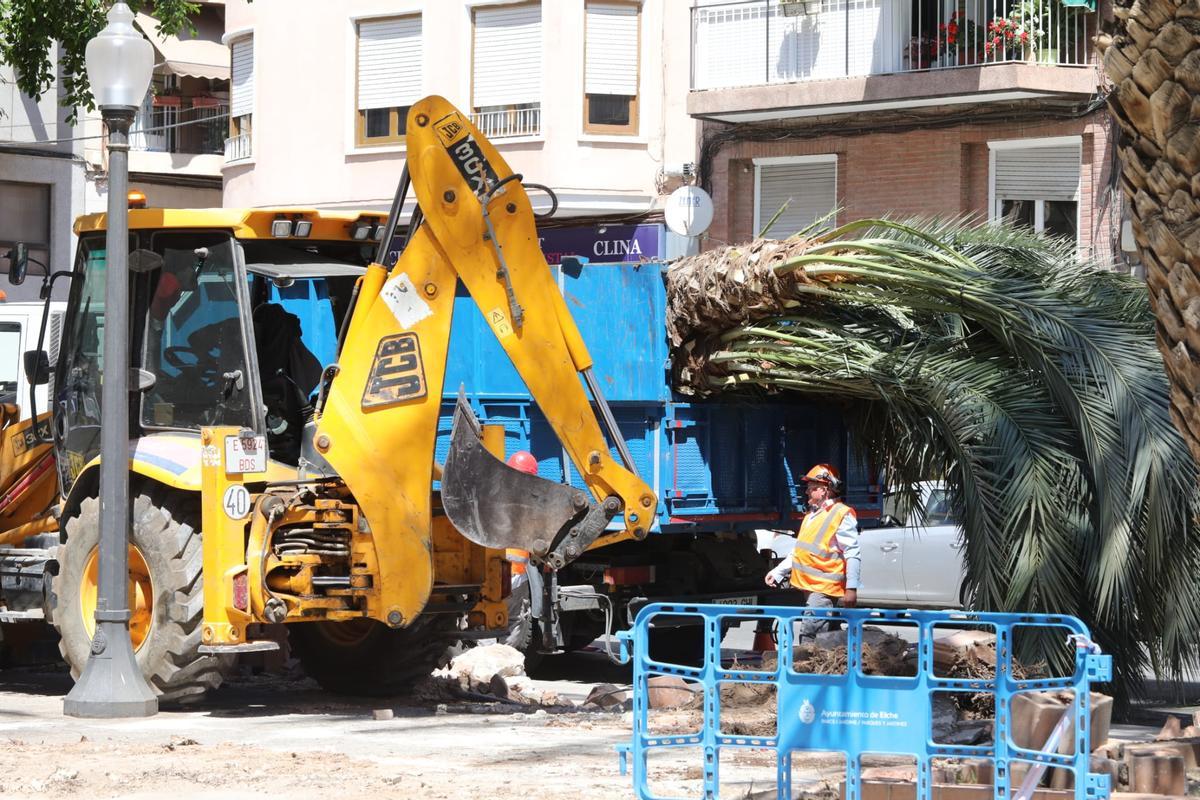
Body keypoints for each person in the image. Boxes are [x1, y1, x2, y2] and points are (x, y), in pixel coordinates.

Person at [764, 463, 861, 644]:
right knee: (828, 637)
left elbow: (852, 552)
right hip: (811, 588)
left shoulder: (841, 513)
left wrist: (851, 589)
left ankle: (807, 671)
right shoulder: (811, 516)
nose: (807, 492)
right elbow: (800, 551)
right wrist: (779, 571)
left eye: (812, 488)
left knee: (810, 636)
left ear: (825, 490)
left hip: (824, 589)